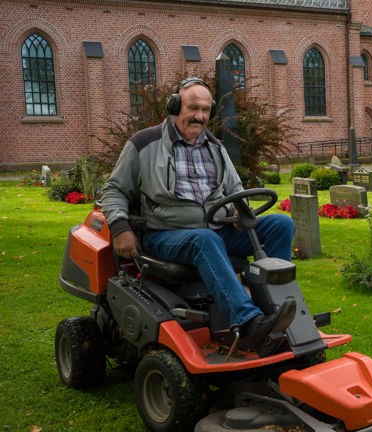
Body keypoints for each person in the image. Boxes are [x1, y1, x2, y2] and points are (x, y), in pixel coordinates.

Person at [102, 77, 296, 354]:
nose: (200, 116)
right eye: (193, 108)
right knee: (205, 239)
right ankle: (249, 324)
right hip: (164, 234)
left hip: (215, 231)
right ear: (175, 105)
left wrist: (236, 212)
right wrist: (120, 227)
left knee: (280, 224)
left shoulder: (215, 147)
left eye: (205, 110)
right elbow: (114, 190)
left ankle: (278, 312)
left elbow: (234, 190)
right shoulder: (144, 144)